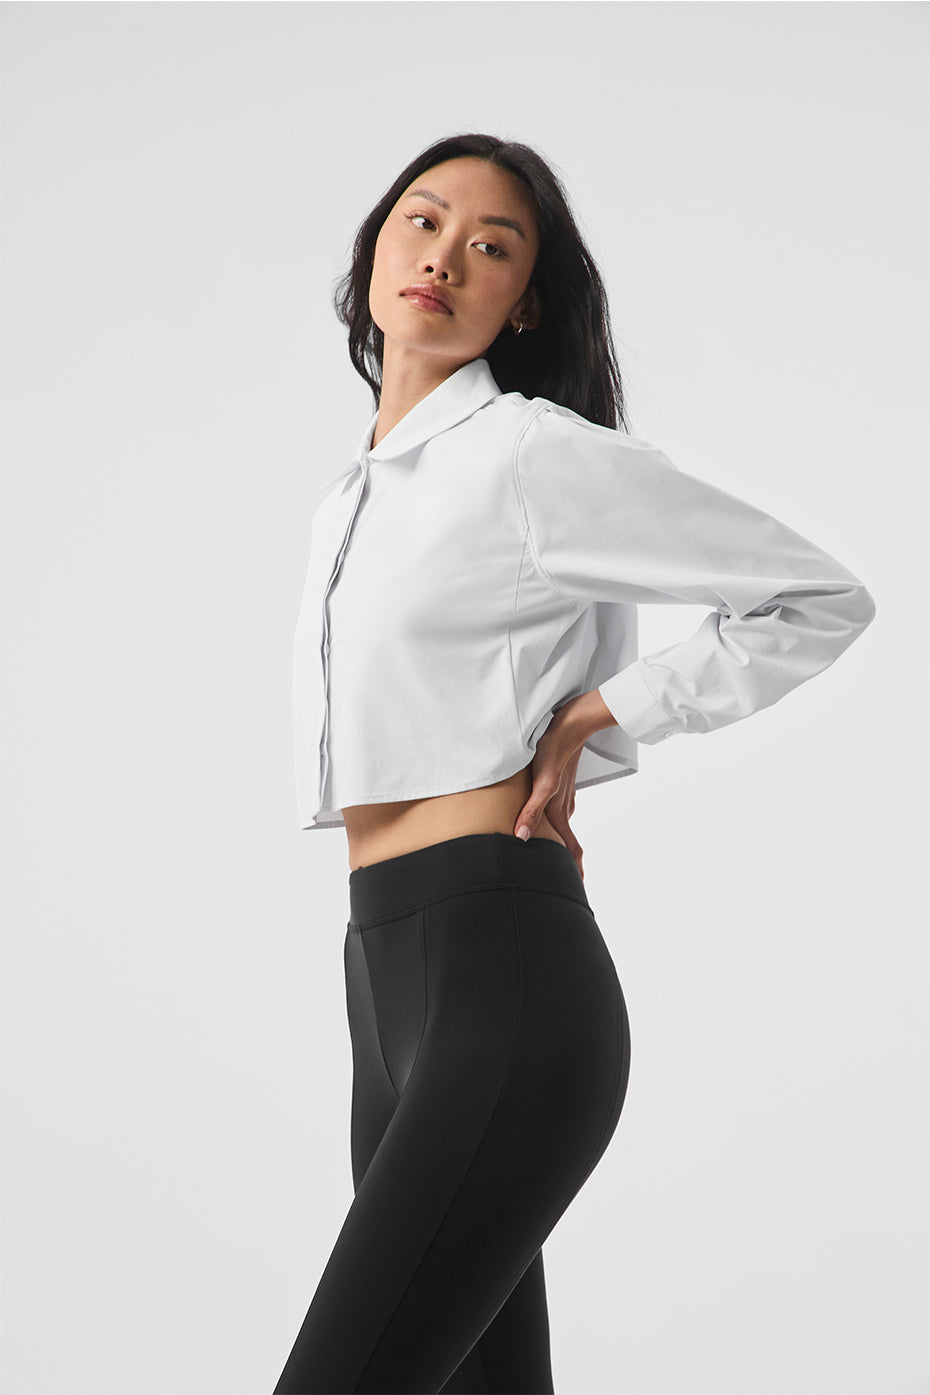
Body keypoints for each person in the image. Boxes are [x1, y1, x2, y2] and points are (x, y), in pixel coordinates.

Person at [274, 133, 876, 1394]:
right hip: (381, 979)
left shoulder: (529, 453)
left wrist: (608, 710)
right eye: (422, 221)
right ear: (375, 247)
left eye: (490, 246)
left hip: (501, 972)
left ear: (526, 303)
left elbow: (818, 597)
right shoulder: (352, 498)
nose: (444, 257)